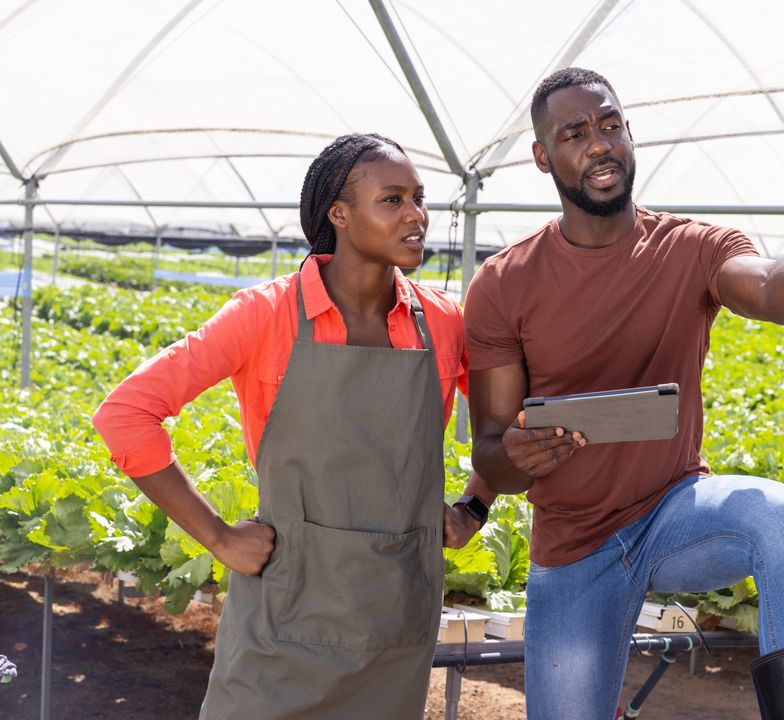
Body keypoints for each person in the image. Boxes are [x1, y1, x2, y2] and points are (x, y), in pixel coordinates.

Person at [464, 68, 784, 720]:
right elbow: (491, 453)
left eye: (610, 125)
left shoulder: (690, 247)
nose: (599, 144)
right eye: (574, 134)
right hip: (575, 550)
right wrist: (518, 455)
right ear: (544, 157)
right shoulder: (505, 283)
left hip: (675, 518)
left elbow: (763, 284)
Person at [93, 133, 493, 719]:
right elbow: (126, 415)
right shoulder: (265, 315)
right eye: (393, 200)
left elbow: (509, 428)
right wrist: (219, 538)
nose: (417, 216)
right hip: (283, 619)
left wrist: (475, 508)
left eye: (420, 199)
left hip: (396, 619)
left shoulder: (442, 321)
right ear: (339, 214)